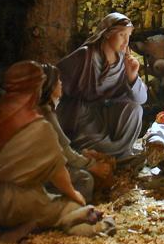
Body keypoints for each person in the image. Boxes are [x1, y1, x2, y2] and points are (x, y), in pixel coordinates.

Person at [0, 61, 113, 240]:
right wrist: (74, 194)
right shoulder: (38, 126)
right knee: (73, 207)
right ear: (37, 88)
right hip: (22, 205)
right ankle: (92, 228)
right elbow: (58, 171)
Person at [56, 12, 147, 163]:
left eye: (129, 35)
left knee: (135, 109)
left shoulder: (124, 60)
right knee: (94, 141)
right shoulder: (85, 56)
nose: (126, 41)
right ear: (107, 33)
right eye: (122, 35)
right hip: (83, 114)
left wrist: (132, 77)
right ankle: (104, 155)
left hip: (107, 111)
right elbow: (55, 80)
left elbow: (141, 99)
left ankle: (119, 154)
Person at [37, 63, 115, 203]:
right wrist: (92, 165)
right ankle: (74, 208)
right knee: (85, 179)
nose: (61, 83)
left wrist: (84, 155)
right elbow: (65, 151)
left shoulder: (48, 110)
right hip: (44, 170)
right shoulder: (46, 114)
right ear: (50, 86)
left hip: (51, 161)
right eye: (58, 80)